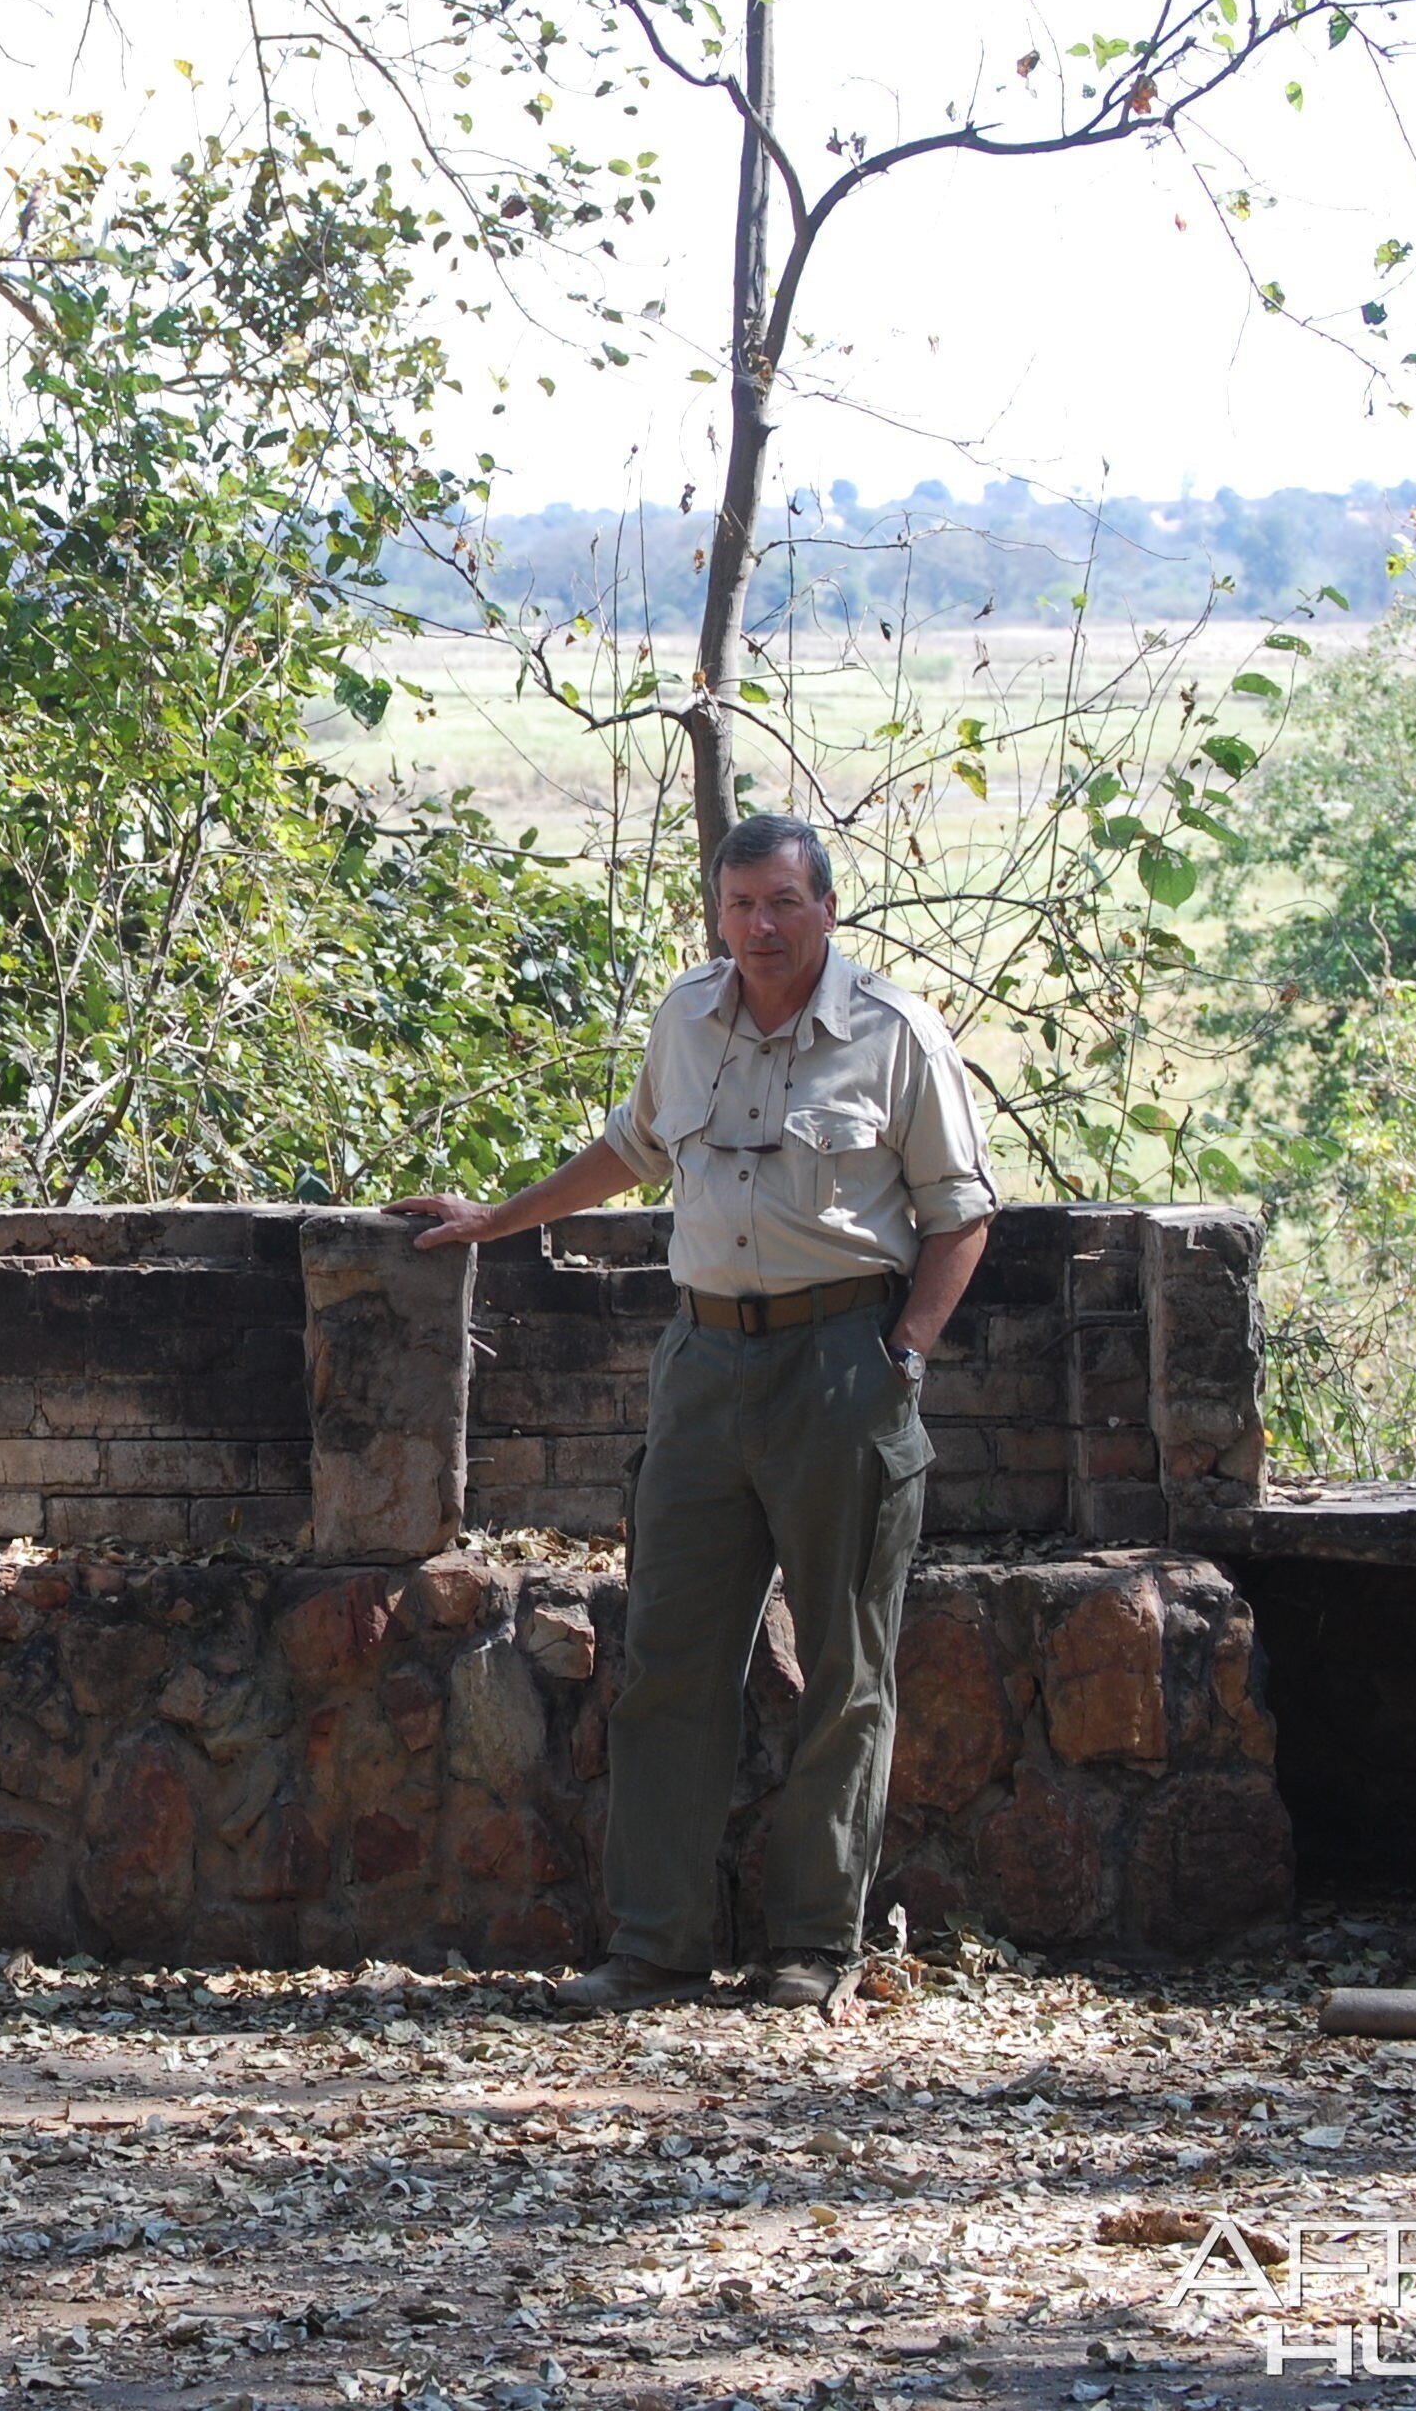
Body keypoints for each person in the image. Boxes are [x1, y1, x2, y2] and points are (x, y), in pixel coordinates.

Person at [390, 814, 995, 2013]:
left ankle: (809, 1947)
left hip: (841, 1362)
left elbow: (959, 1212)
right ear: (715, 913)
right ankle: (654, 1943)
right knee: (669, 1662)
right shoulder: (686, 1016)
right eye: (737, 906)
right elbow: (630, 1150)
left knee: (843, 1667)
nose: (758, 928)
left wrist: (901, 1359)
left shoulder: (892, 1032)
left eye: (780, 903)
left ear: (826, 908)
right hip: (704, 1363)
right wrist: (494, 1223)